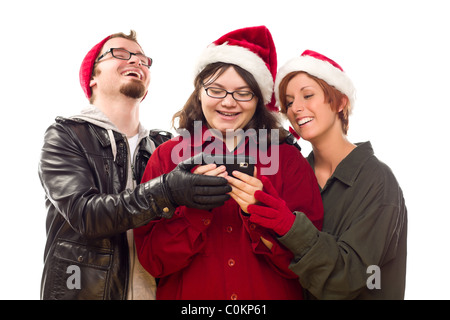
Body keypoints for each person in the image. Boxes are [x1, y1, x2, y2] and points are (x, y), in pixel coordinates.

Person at [38, 30, 231, 300]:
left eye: (143, 59)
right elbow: (85, 214)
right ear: (92, 77)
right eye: (120, 53)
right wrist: (167, 191)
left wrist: (276, 140)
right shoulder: (66, 135)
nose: (136, 61)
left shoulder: (165, 147)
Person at [134, 26, 323, 300]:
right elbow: (153, 261)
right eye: (216, 90)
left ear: (258, 100)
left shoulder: (288, 160)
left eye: (243, 93)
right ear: (199, 93)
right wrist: (196, 212)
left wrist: (262, 216)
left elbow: (309, 265)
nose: (229, 102)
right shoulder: (166, 157)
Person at [252, 49, 407, 299]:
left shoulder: (376, 180)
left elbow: (350, 277)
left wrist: (291, 229)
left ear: (340, 101)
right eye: (289, 102)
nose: (296, 108)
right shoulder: (295, 174)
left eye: (308, 95)